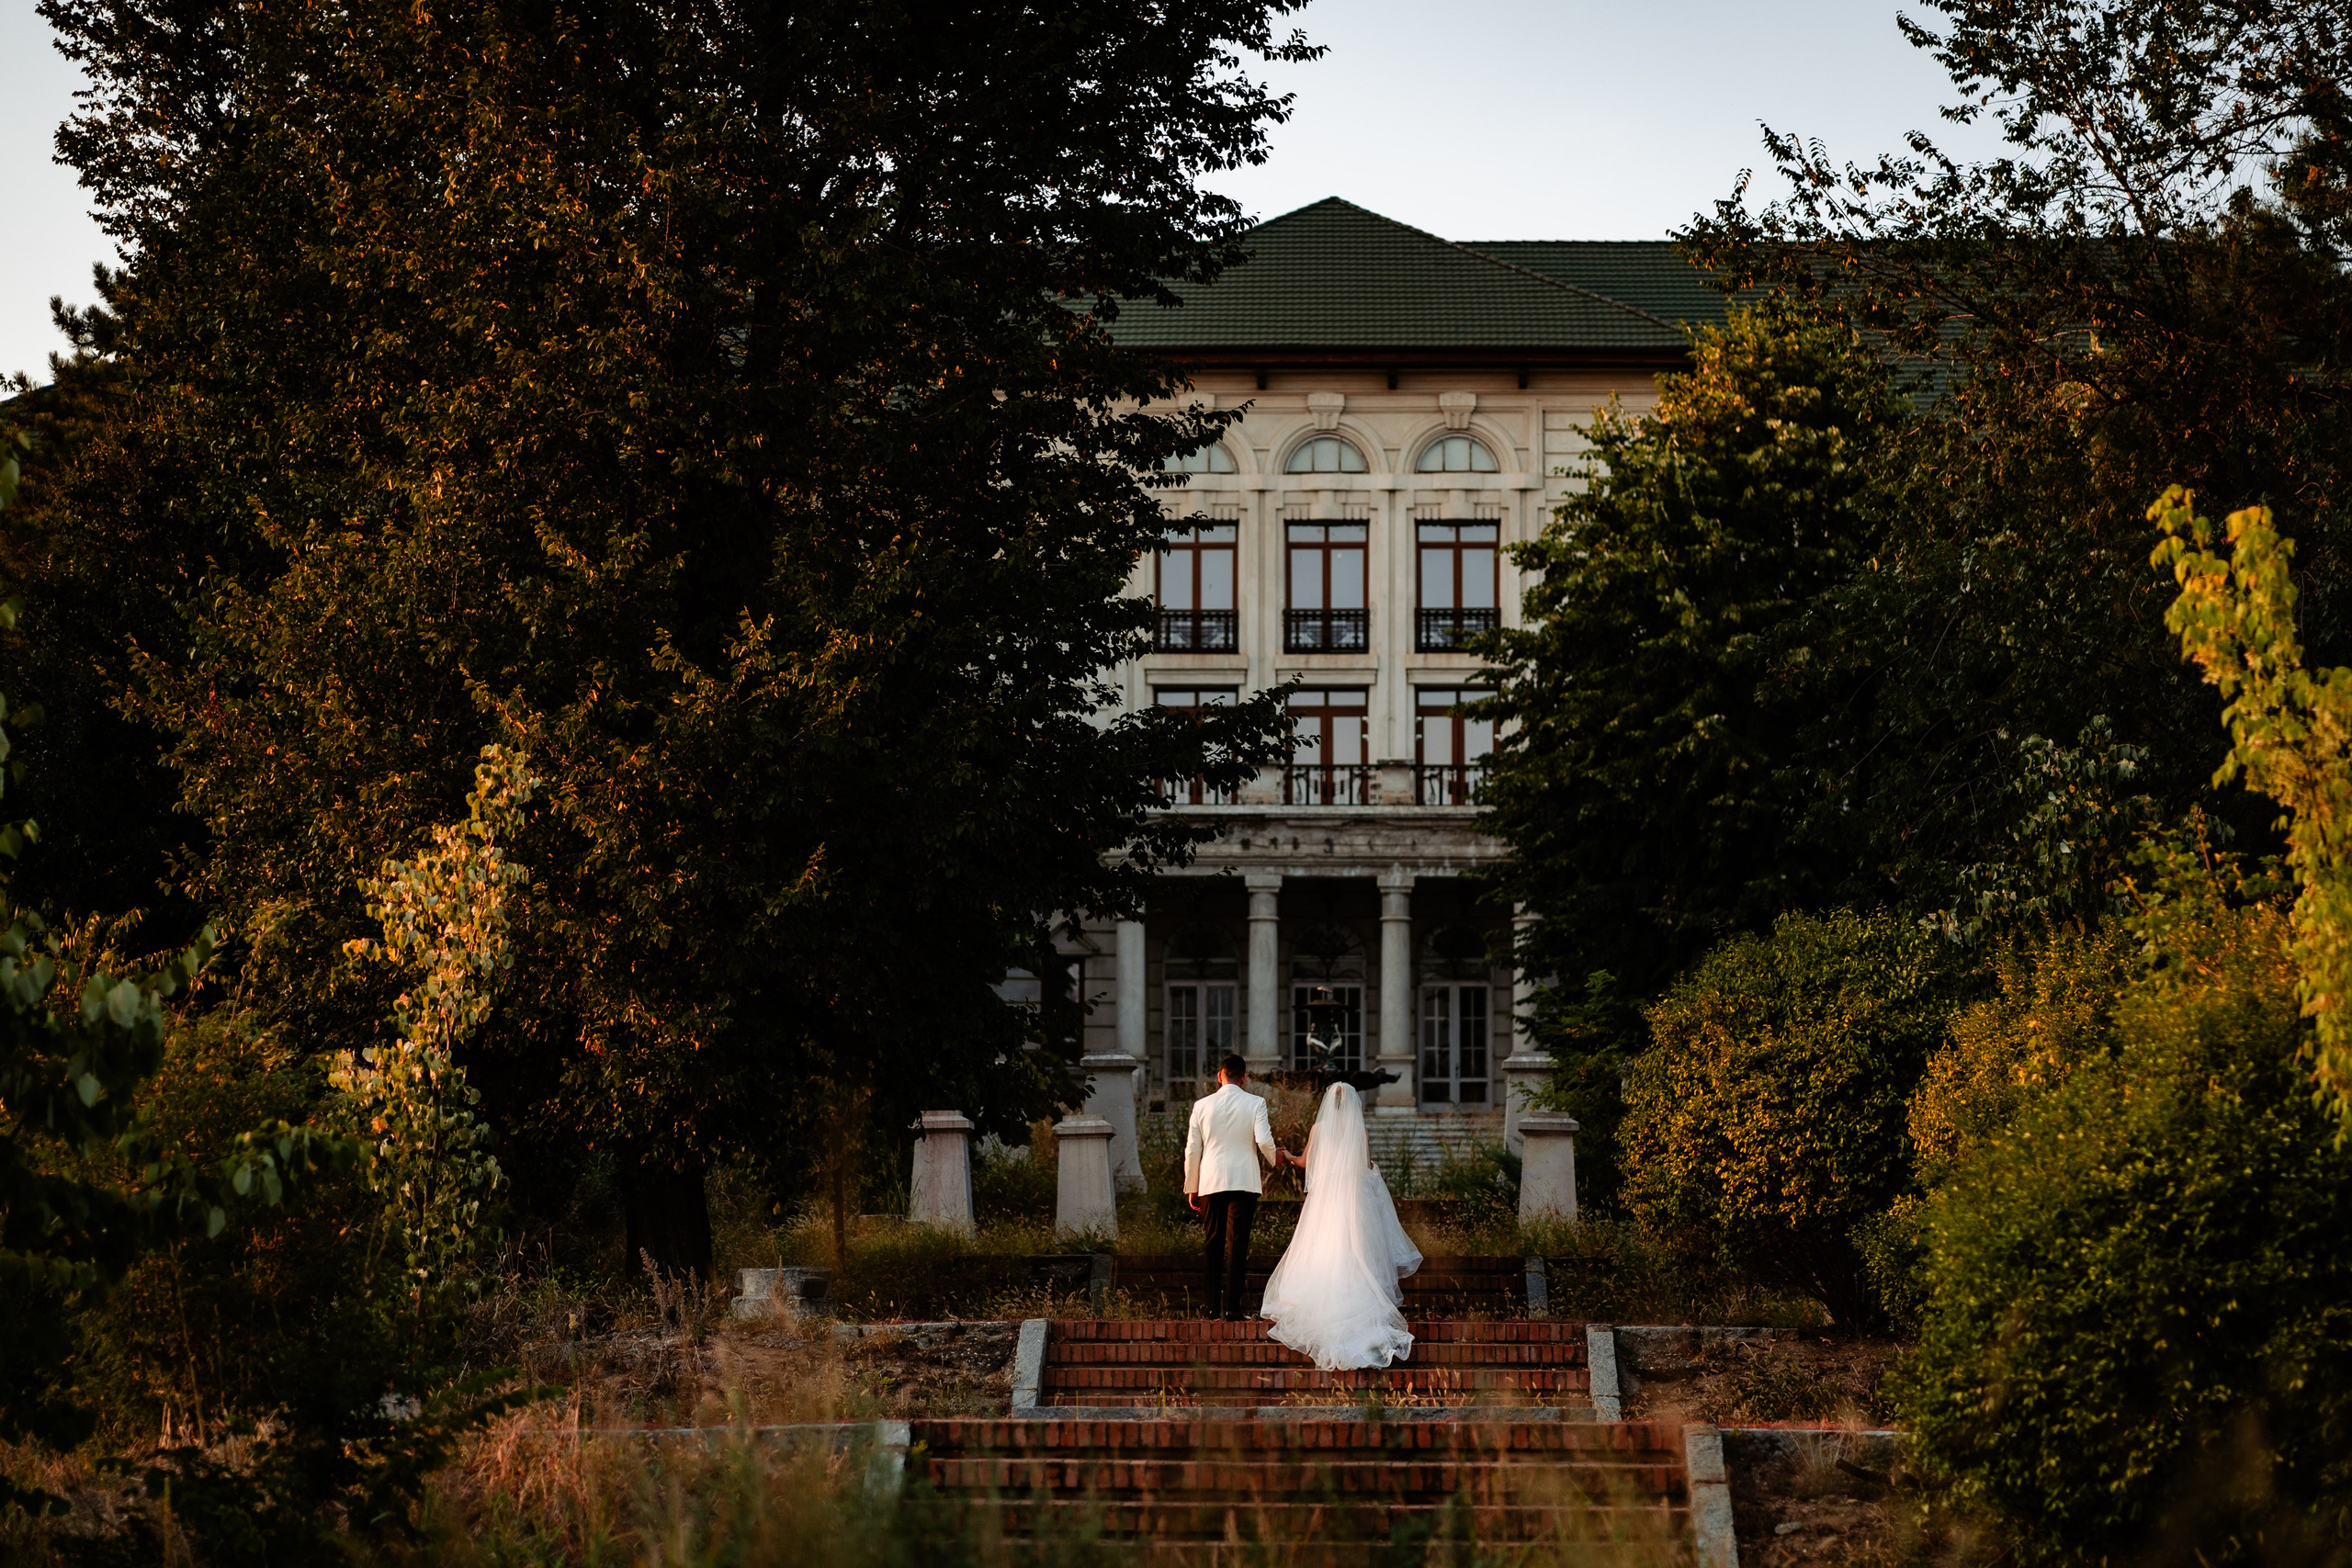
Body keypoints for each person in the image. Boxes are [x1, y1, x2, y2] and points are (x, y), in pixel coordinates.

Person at [1256, 1081, 1424, 1370]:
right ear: (1353, 1106)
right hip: (1353, 1201)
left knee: (1324, 1248)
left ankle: (1323, 1304)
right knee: (1355, 1248)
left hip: (1325, 1201)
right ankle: (1358, 1307)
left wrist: (1289, 1157)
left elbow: (1307, 1163)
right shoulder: (1361, 1132)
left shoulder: (1318, 1130)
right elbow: (1363, 1167)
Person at [1183, 1053, 1279, 1320]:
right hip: (1244, 1181)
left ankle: (1211, 1306)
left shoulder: (1201, 1105)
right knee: (1238, 1245)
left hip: (1211, 1182)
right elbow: (1263, 1140)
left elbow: (1192, 1150)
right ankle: (1233, 1308)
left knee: (1212, 1243)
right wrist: (1274, 1158)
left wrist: (1192, 1186)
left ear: (1220, 1076)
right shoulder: (1256, 1102)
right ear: (1244, 1078)